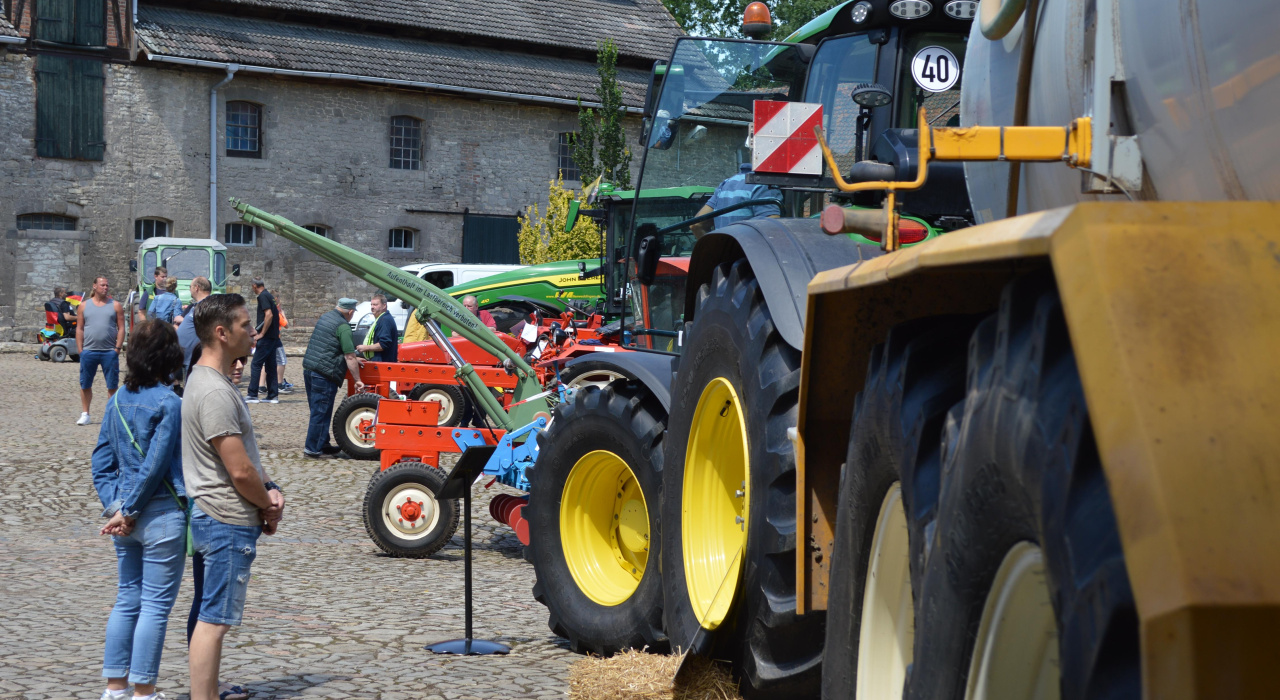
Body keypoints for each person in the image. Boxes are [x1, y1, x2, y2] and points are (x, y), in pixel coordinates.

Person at [183, 294, 284, 700]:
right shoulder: (214, 392)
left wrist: (270, 490)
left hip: (218, 516)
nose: (254, 332)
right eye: (246, 325)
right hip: (224, 519)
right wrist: (266, 503)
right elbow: (238, 469)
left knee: (211, 616)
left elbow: (246, 464)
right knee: (214, 620)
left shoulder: (210, 383)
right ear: (222, 334)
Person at [90, 319, 187, 700]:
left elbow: (101, 462)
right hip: (161, 515)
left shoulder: (115, 401)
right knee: (154, 608)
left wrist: (116, 507)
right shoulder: (170, 403)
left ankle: (115, 688)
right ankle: (144, 692)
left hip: (124, 518)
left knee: (127, 598)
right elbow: (157, 465)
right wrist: (127, 510)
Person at [301, 298, 366, 458]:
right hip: (324, 373)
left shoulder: (326, 317)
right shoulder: (343, 326)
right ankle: (312, 449)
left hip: (310, 368)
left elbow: (330, 345)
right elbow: (349, 356)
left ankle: (322, 444)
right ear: (350, 312)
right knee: (320, 411)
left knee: (318, 410)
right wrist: (357, 379)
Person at [78, 276, 127, 426]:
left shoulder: (115, 305)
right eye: (102, 285)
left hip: (109, 352)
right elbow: (79, 328)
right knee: (85, 384)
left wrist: (117, 348)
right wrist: (80, 350)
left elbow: (121, 328)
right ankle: (85, 413)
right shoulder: (84, 306)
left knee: (112, 384)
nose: (105, 288)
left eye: (107, 285)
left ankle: (111, 414)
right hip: (89, 351)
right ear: (94, 286)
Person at [689, 163, 782, 238]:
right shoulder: (764, 183)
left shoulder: (726, 184)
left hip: (725, 259)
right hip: (749, 259)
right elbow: (771, 226)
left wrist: (714, 249)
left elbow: (696, 225)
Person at [246, 278, 280, 404]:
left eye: (252, 286)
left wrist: (261, 333)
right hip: (273, 337)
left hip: (267, 337)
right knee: (271, 366)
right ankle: (272, 395)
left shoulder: (263, 296)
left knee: (256, 364)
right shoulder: (269, 295)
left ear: (254, 285)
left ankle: (252, 394)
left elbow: (269, 315)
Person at [175, 277, 212, 373]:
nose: (189, 289)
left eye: (190, 286)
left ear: (196, 288)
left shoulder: (207, 306)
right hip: (185, 357)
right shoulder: (196, 306)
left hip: (194, 359)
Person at [356, 293, 399, 362]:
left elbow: (383, 344)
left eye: (375, 305)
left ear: (384, 306)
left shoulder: (385, 320)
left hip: (383, 363)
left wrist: (366, 348)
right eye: (371, 304)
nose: (372, 307)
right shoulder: (381, 318)